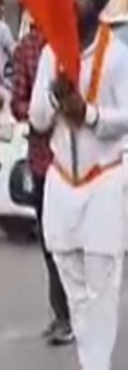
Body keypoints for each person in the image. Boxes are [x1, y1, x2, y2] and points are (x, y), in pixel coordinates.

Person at [28, 0, 128, 370]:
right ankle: (88, 364)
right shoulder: (52, 52)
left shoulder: (119, 57)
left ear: (97, 2)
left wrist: (88, 114)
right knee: (71, 281)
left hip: (103, 181)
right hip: (61, 181)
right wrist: (56, 97)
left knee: (101, 283)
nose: (71, 1)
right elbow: (37, 119)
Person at [11, 17, 72, 345]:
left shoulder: (76, 43)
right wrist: (41, 109)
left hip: (76, 161)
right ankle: (61, 314)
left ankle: (76, 314)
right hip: (42, 160)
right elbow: (17, 102)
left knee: (75, 241)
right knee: (51, 241)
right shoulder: (28, 49)